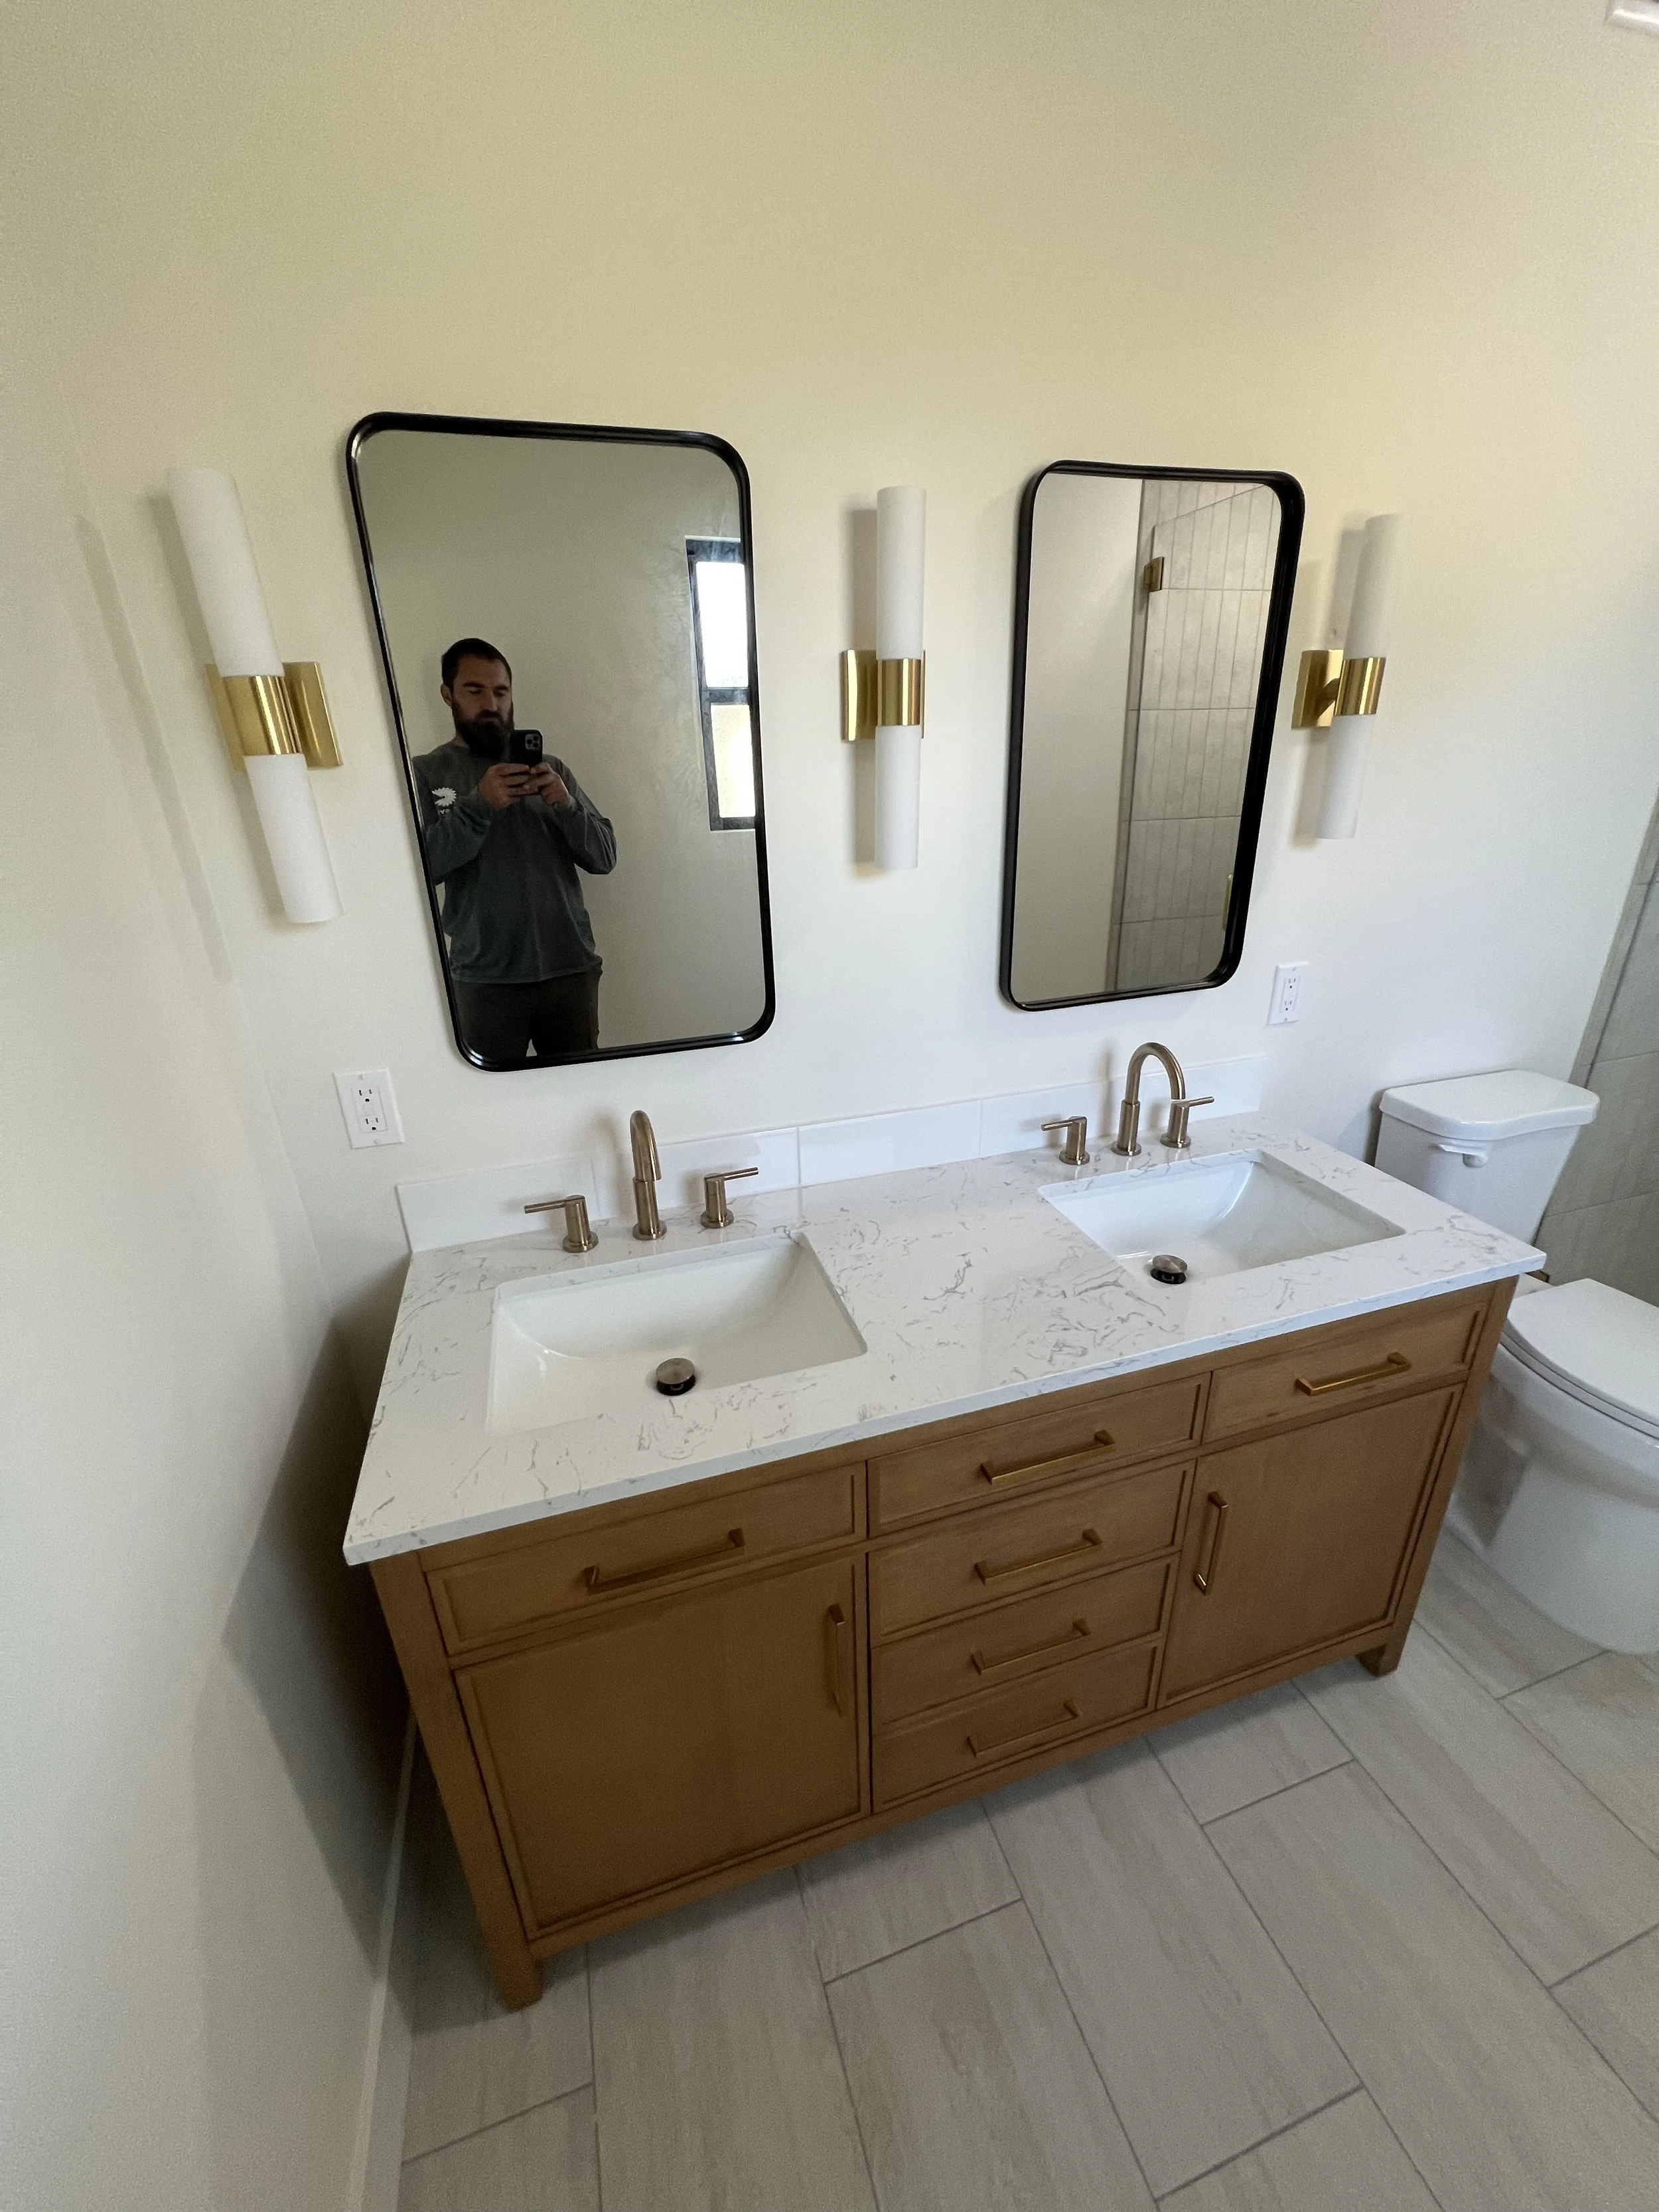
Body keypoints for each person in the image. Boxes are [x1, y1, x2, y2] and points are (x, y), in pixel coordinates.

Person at [412, 638, 616, 1062]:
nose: (491, 703)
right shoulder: (427, 774)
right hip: (485, 982)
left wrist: (567, 806)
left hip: (570, 973)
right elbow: (420, 870)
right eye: (475, 690)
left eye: (501, 692)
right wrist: (477, 805)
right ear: (448, 695)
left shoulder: (550, 770)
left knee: (575, 1092)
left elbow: (605, 857)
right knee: (493, 1105)